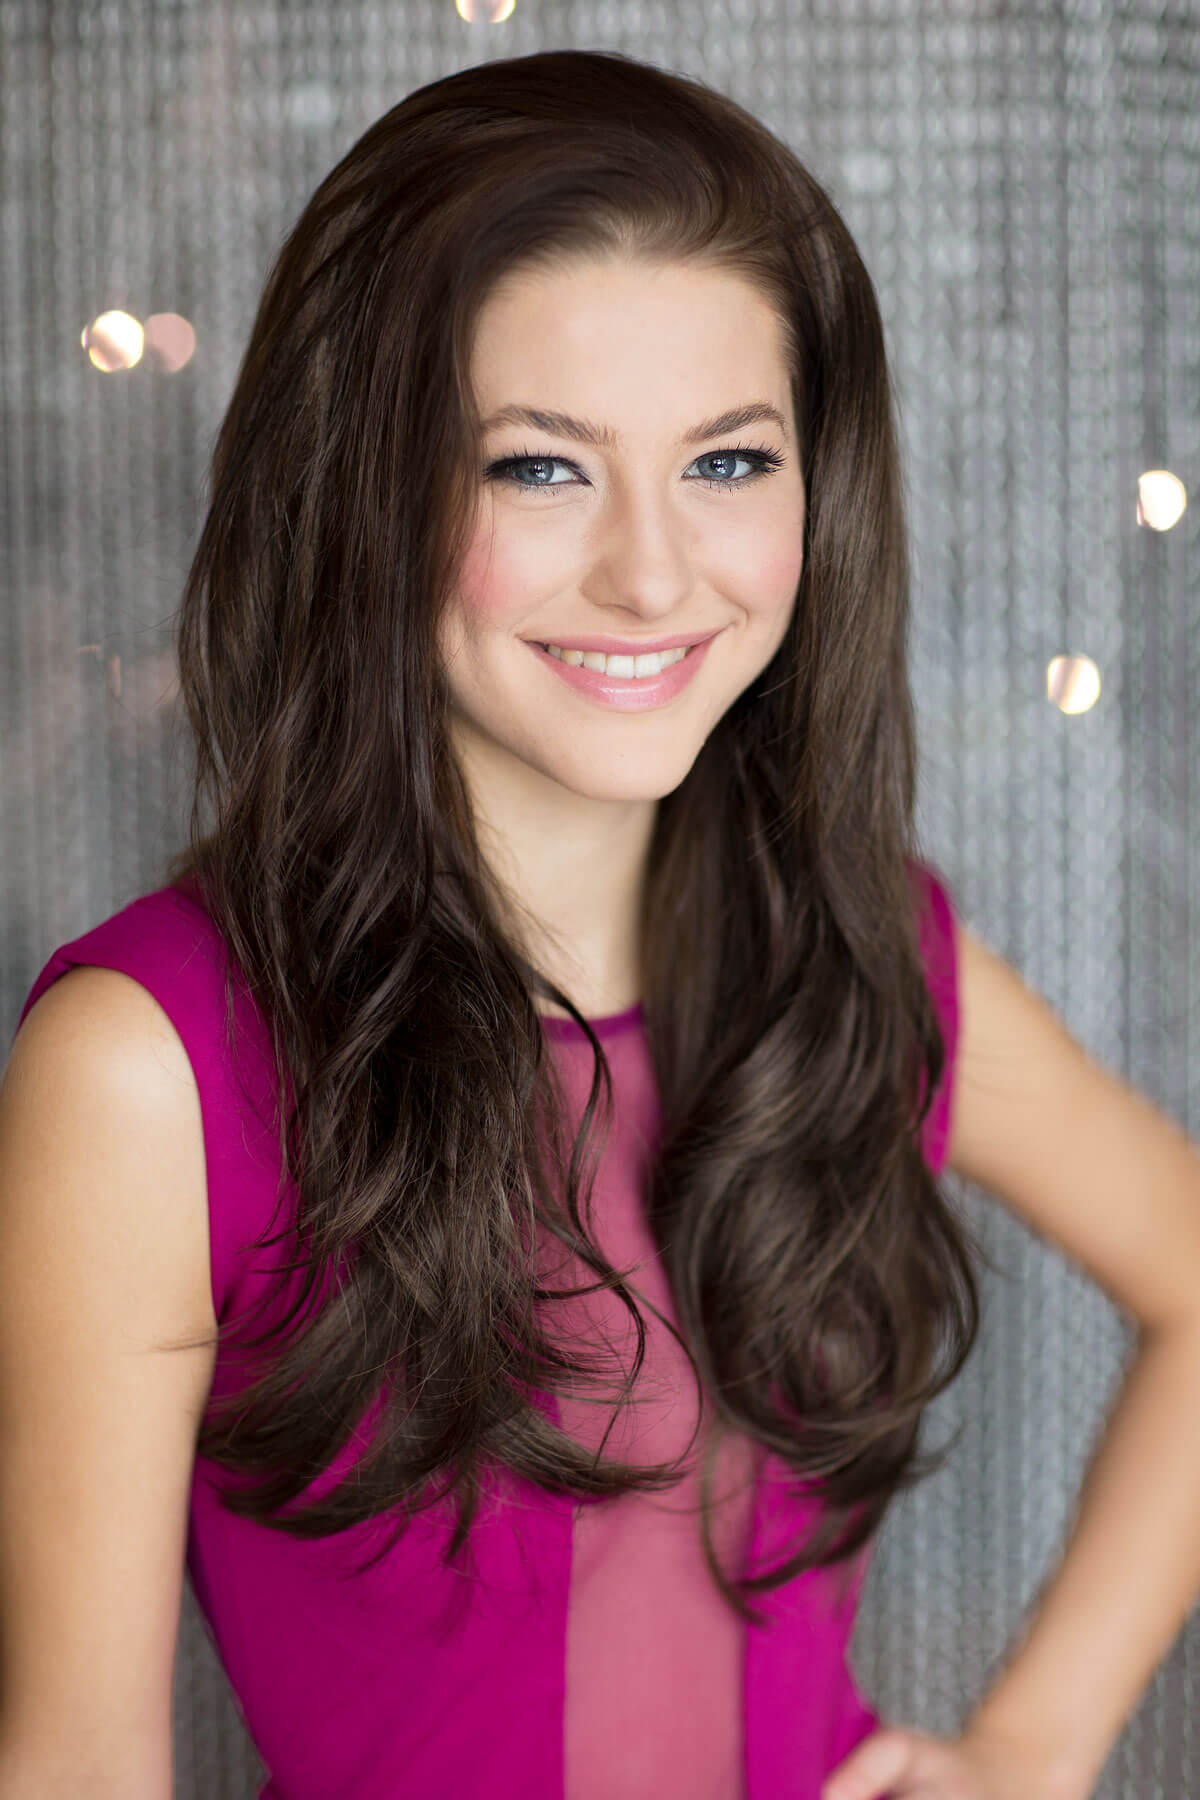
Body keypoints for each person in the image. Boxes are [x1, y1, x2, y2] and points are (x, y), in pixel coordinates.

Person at [0, 48, 976, 1800]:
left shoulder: (855, 958)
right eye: (541, 470)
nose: (657, 575)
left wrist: (1037, 1744)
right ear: (362, 494)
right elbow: (73, 1764)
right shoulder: (152, 1066)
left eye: (731, 461)